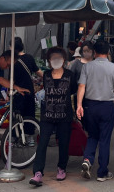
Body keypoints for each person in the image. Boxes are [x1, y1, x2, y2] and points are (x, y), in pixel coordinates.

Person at [77, 39, 114, 182]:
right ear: (108, 52)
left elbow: (81, 87)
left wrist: (79, 105)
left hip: (90, 106)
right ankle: (102, 173)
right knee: (104, 139)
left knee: (92, 136)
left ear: (94, 52)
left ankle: (87, 159)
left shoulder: (87, 67)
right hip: (106, 107)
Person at [30, 47, 79, 187]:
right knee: (42, 143)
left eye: (59, 58)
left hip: (65, 115)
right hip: (47, 115)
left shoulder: (70, 75)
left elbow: (74, 91)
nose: (56, 60)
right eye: (53, 58)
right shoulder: (46, 75)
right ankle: (38, 173)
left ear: (63, 60)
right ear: (49, 61)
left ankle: (61, 168)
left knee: (63, 143)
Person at [13, 37, 43, 145]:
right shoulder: (29, 58)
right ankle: (30, 138)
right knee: (29, 113)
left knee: (16, 114)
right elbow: (38, 72)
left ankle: (15, 138)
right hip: (29, 90)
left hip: (16, 91)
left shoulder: (12, 59)